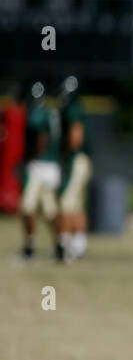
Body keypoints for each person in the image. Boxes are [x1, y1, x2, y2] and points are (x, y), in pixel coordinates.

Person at [18, 81, 63, 261]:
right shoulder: (52, 113)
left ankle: (30, 247)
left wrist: (31, 156)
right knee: (50, 210)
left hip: (40, 166)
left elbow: (42, 137)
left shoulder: (37, 114)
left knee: (27, 207)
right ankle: (60, 245)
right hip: (52, 166)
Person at [56, 76, 92, 261]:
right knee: (76, 204)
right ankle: (79, 243)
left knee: (67, 201)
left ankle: (66, 244)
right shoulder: (76, 107)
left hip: (76, 159)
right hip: (82, 160)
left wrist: (63, 152)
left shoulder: (72, 109)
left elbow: (75, 136)